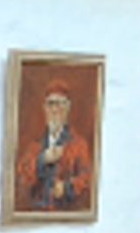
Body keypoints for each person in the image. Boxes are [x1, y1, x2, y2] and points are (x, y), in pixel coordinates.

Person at [16, 81, 92, 212]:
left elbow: (88, 179)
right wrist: (42, 159)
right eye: (50, 104)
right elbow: (21, 178)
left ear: (67, 108)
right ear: (45, 109)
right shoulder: (35, 146)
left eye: (59, 104)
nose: (55, 110)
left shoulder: (79, 145)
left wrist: (67, 188)